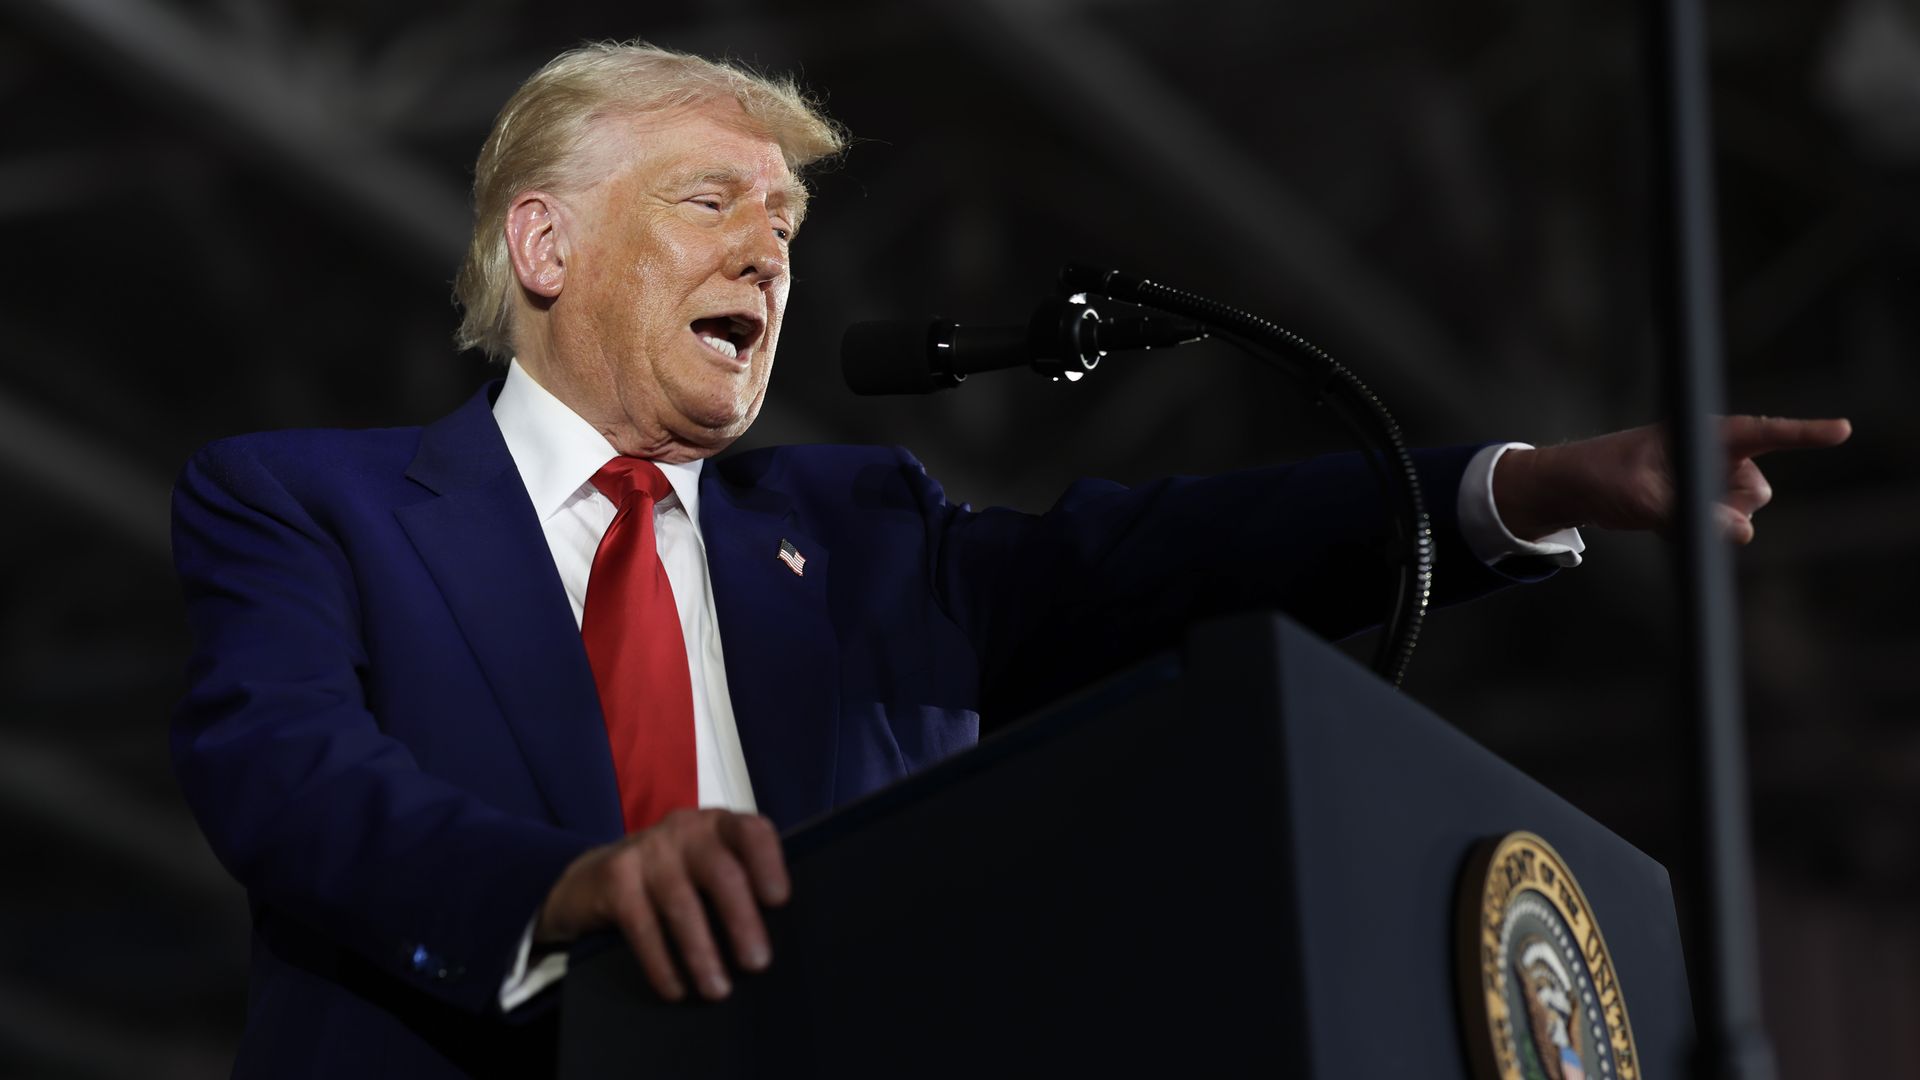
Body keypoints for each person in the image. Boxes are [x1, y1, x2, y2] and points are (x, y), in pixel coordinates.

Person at [169, 41, 1850, 1079]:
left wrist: (1521, 484)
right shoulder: (307, 504)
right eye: (711, 202)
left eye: (788, 230)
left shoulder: (863, 538)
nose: (769, 246)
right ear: (544, 241)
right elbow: (289, 775)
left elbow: (1173, 553)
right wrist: (563, 885)